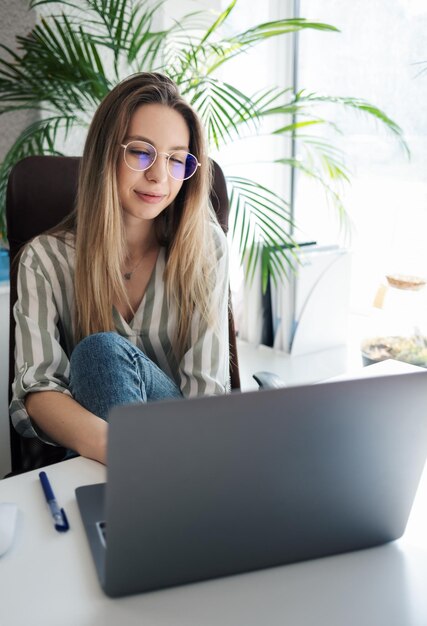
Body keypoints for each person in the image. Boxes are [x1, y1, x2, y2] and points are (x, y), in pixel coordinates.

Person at [10, 72, 230, 465]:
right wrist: (121, 449)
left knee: (100, 350)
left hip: (187, 449)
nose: (159, 176)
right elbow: (37, 388)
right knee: (101, 353)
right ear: (104, 153)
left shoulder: (205, 249)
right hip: (102, 459)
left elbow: (206, 397)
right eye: (141, 152)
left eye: (176, 160)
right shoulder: (43, 259)